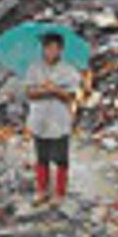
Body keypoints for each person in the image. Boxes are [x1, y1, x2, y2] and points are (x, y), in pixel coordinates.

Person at [25, 32, 80, 205]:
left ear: (61, 49)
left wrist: (56, 90)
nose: (51, 52)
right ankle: (42, 191)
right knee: (41, 156)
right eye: (48, 48)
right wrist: (43, 90)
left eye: (54, 48)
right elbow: (29, 93)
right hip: (40, 118)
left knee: (61, 158)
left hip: (59, 118)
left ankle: (60, 193)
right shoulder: (34, 68)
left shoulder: (68, 70)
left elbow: (71, 96)